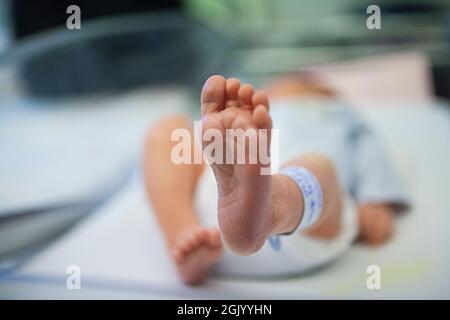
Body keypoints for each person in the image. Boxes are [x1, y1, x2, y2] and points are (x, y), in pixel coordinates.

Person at [143, 74, 408, 285]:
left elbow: (371, 152)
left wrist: (376, 198)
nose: (288, 90)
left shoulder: (338, 114)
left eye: (300, 87)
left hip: (308, 217)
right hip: (212, 224)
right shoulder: (243, 118)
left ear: (324, 96)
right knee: (169, 129)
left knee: (318, 166)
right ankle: (184, 234)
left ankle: (274, 204)